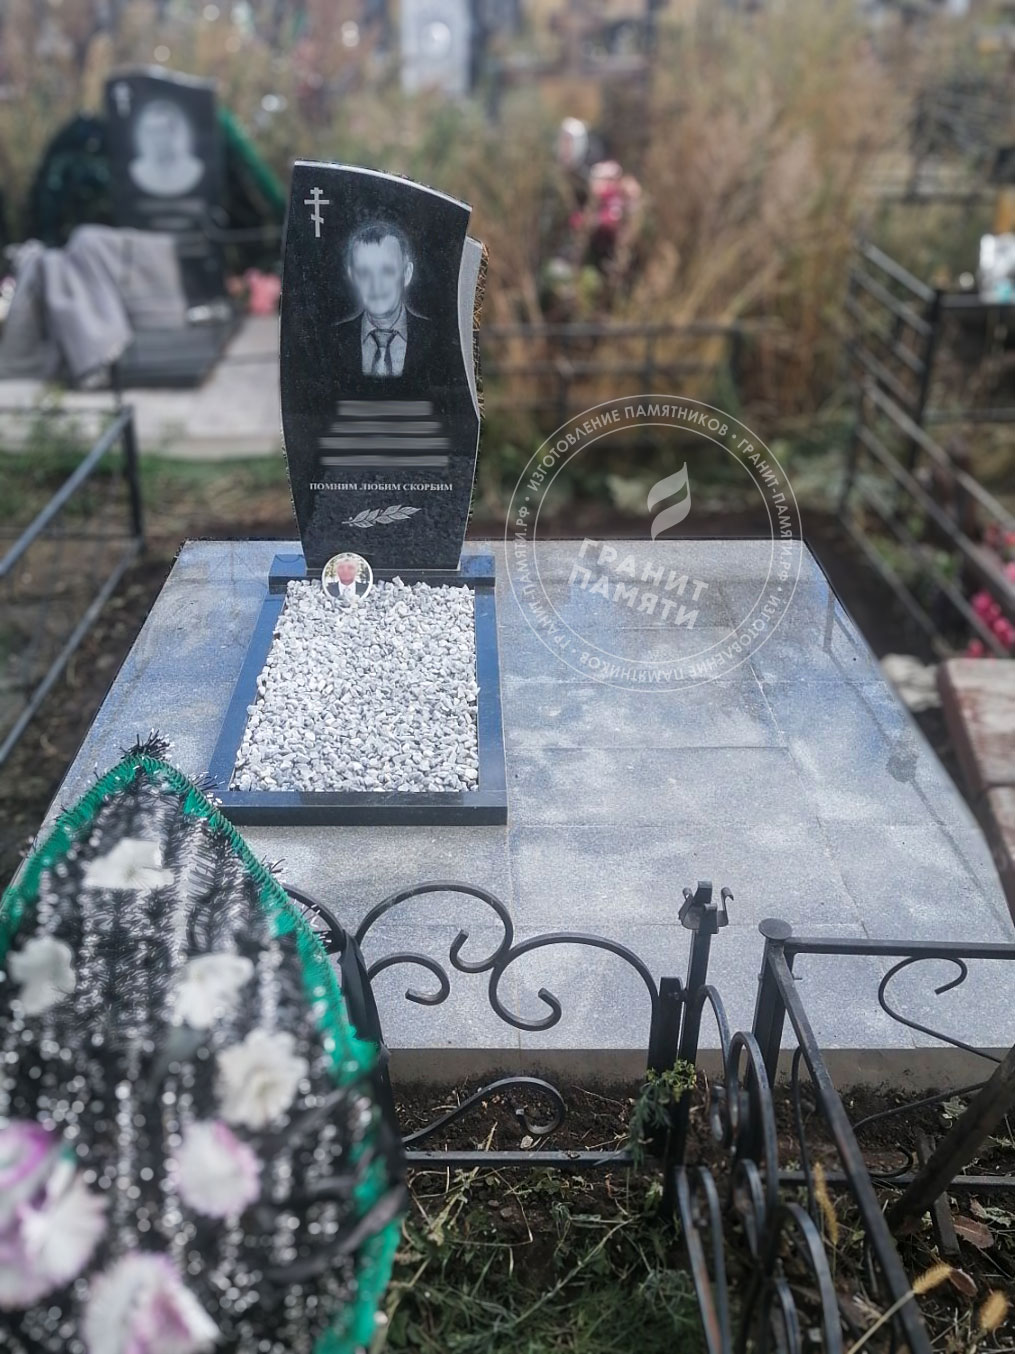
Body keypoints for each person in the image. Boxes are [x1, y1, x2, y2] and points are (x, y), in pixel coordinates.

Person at [333, 221, 431, 381]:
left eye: (386, 271)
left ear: (406, 274)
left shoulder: (438, 339)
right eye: (364, 272)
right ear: (353, 276)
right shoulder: (331, 340)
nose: (376, 285)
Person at [129, 98, 204, 198]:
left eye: (161, 131)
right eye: (152, 132)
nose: (156, 139)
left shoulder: (192, 166)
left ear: (172, 132)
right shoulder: (138, 168)